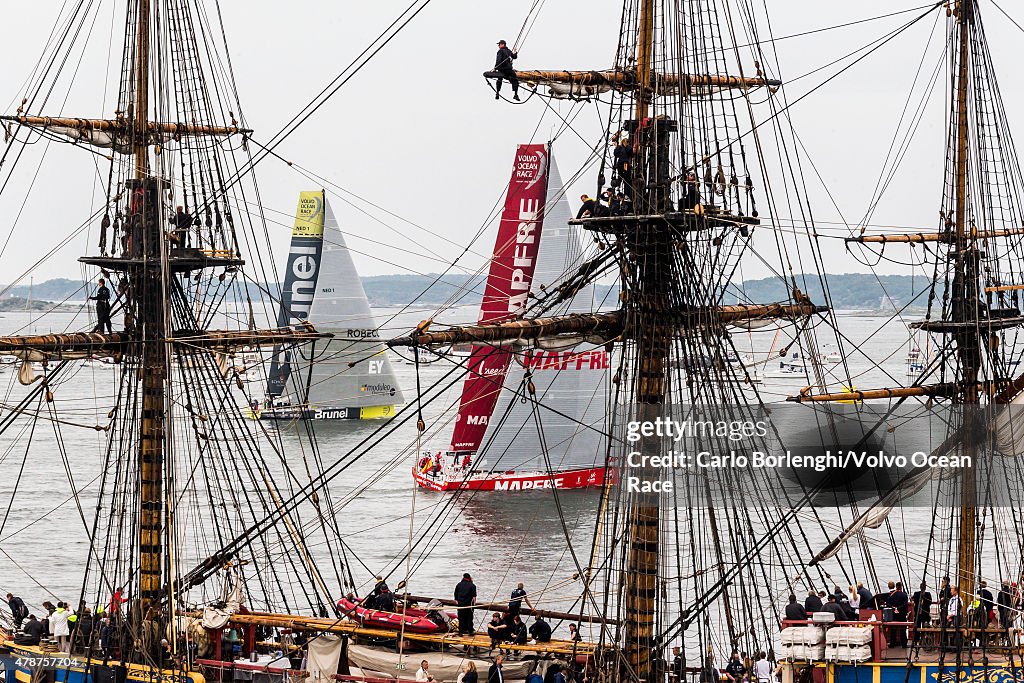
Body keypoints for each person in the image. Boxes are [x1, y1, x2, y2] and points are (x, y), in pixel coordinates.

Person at [887, 582, 909, 647]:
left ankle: (892, 644)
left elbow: (888, 603)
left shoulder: (891, 595)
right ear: (901, 587)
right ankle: (904, 644)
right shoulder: (904, 595)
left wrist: (894, 608)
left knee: (893, 629)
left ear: (896, 587)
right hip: (902, 614)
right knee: (903, 629)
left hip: (894, 614)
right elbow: (905, 604)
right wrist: (899, 608)